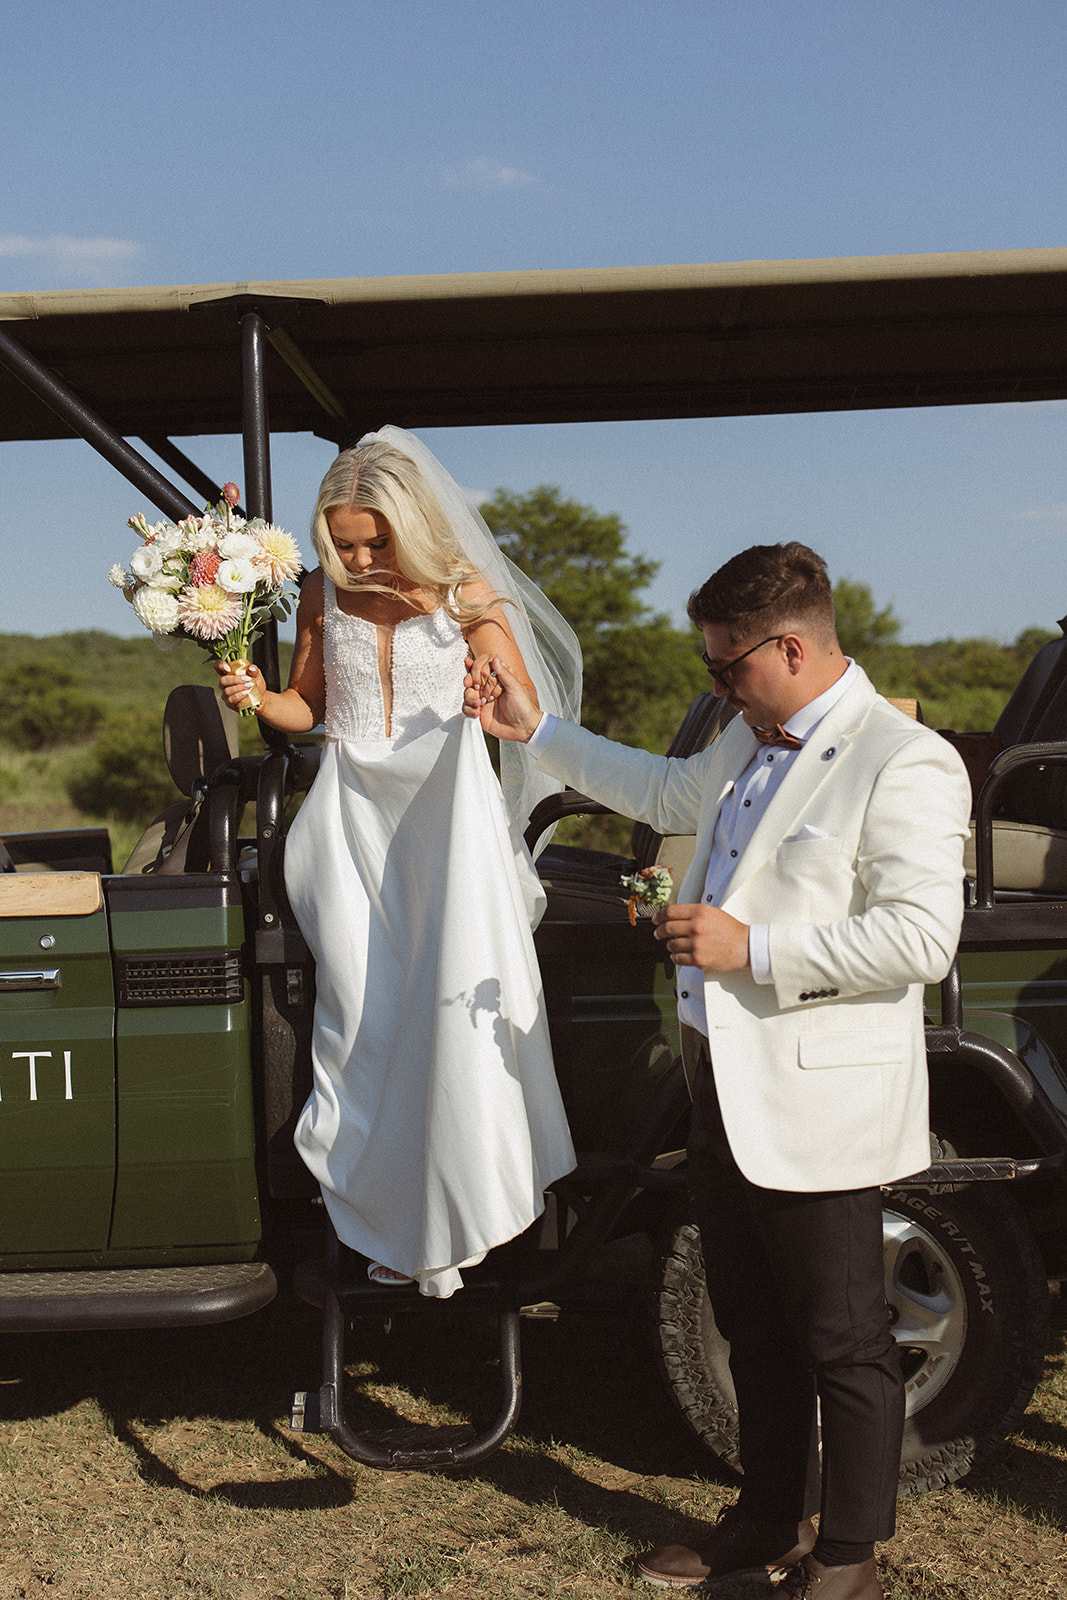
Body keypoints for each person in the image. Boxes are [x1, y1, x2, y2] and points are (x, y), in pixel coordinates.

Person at [464, 541, 971, 1600]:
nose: (717, 688)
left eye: (724, 667)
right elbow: (659, 787)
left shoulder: (902, 758)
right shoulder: (745, 739)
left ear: (789, 645)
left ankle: (848, 1557)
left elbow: (922, 938)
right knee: (750, 1323)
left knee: (844, 1338)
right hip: (721, 1088)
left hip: (819, 1099)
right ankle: (764, 1522)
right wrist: (536, 732)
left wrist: (756, 949)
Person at [218, 426, 578, 1298]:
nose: (359, 556)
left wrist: (489, 693)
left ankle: (463, 1212)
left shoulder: (467, 598)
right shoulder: (320, 595)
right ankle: (386, 1212)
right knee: (363, 1017)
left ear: (410, 525)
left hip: (444, 820)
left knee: (446, 1007)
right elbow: (308, 707)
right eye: (342, 544)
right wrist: (258, 698)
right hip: (350, 820)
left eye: (374, 541)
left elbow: (525, 709)